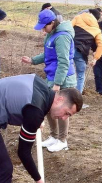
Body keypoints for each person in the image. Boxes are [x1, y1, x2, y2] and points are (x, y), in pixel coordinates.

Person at [21, 9, 77, 153]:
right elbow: (48, 54)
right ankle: (53, 136)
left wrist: (57, 84)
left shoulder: (62, 37)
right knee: (48, 108)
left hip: (63, 80)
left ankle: (62, 140)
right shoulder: (51, 35)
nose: (43, 30)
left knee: (62, 109)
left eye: (44, 27)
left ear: (52, 23)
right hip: (52, 77)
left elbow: (63, 62)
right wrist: (32, 60)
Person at [71, 9, 102, 93]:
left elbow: (68, 28)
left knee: (67, 72)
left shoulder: (78, 17)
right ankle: (77, 97)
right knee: (80, 75)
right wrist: (95, 59)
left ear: (89, 13)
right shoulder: (97, 30)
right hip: (81, 52)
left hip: (69, 48)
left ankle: (64, 93)